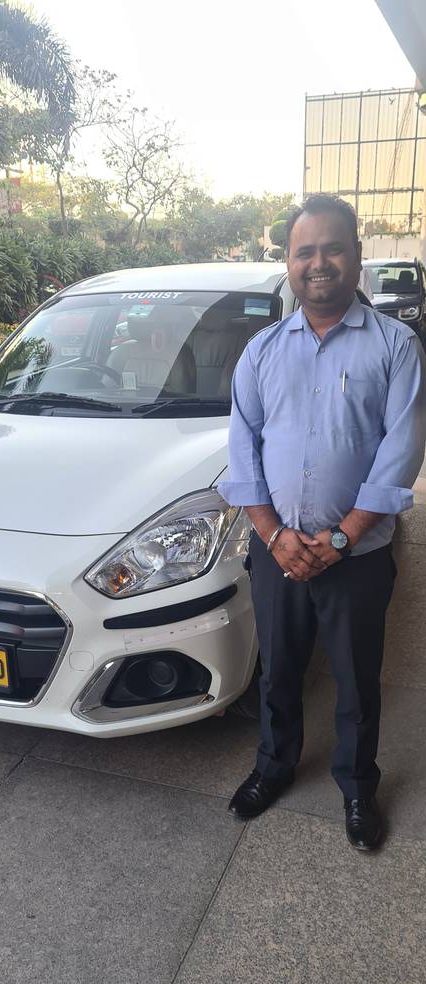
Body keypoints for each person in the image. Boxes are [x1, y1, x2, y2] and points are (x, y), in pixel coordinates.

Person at [218, 193, 426, 850]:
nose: (319, 263)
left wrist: (340, 538)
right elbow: (242, 447)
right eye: (305, 251)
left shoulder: (396, 348)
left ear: (357, 257)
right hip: (276, 552)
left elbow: (400, 455)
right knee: (278, 670)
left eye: (332, 247)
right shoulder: (260, 352)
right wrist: (276, 535)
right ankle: (274, 766)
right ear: (287, 261)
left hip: (356, 558)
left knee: (358, 679)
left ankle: (358, 787)